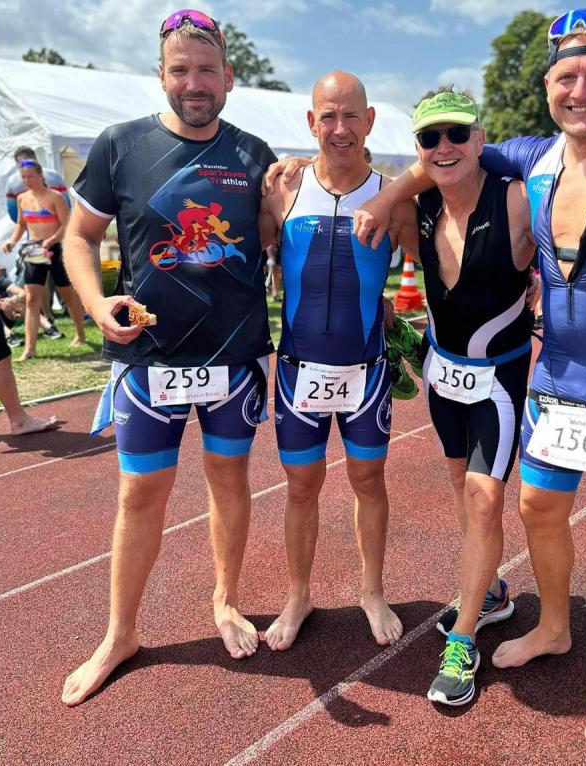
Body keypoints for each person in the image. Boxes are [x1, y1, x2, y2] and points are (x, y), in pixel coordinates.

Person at [354, 8, 586, 745]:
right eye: (567, 77)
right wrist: (388, 196)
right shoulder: (529, 155)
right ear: (548, 87)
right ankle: (555, 626)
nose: (581, 90)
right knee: (537, 509)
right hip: (554, 382)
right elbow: (444, 157)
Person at [61, 9, 276, 706]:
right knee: (139, 494)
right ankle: (120, 633)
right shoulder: (120, 145)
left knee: (229, 480)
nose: (194, 83)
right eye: (181, 70)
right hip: (149, 359)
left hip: (233, 363)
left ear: (228, 78)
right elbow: (78, 238)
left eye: (207, 70)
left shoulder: (255, 154)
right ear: (161, 75)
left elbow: (276, 236)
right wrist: (96, 303)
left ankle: (226, 601)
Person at [258, 70, 417, 651]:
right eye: (328, 116)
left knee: (368, 480)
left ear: (369, 121)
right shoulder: (282, 190)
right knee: (301, 487)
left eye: (351, 115)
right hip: (297, 371)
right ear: (311, 122)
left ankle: (372, 591)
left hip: (366, 372)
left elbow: (447, 263)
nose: (340, 127)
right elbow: (234, 255)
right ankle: (298, 594)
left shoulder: (394, 197)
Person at [409, 89, 537, 706]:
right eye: (430, 137)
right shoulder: (419, 207)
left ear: (480, 138)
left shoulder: (515, 200)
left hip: (499, 383)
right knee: (463, 486)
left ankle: (463, 640)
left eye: (457, 133)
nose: (445, 146)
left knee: (486, 498)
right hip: (443, 376)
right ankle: (490, 594)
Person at [2, 161, 86, 360]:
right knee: (32, 300)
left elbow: (66, 225)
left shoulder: (55, 196)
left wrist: (51, 241)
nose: (27, 180)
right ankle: (30, 348)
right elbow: (21, 224)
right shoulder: (22, 198)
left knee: (68, 296)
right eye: (23, 177)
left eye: (30, 176)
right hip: (34, 251)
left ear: (40, 176)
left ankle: (80, 333)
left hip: (54, 250)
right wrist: (12, 241)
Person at [0, 257, 56, 434]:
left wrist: (11, 301)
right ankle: (19, 420)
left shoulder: (1, 281)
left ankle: (19, 420)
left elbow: (21, 293)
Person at [4, 146, 70, 224]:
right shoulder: (55, 176)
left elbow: (14, 215)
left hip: (35, 225)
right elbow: (67, 206)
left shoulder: (12, 181)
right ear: (35, 159)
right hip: (54, 224)